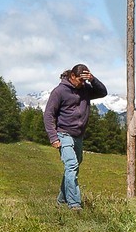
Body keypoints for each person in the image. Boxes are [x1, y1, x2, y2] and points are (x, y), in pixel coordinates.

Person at [45, 64, 106, 209]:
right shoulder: (59, 91)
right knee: (71, 165)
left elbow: (103, 92)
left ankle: (61, 201)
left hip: (79, 135)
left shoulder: (85, 89)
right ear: (72, 76)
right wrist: (53, 137)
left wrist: (93, 80)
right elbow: (48, 115)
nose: (82, 83)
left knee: (73, 167)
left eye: (85, 80)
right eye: (80, 80)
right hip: (63, 133)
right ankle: (74, 204)